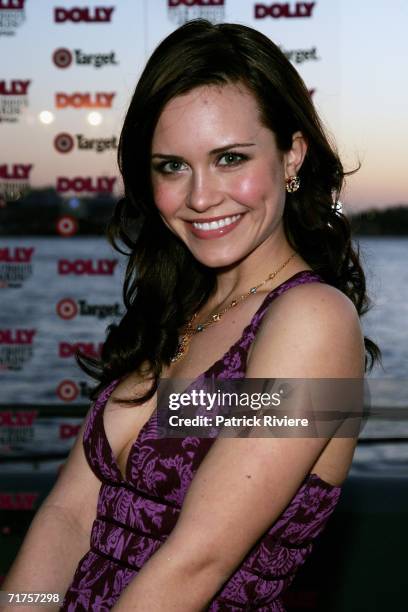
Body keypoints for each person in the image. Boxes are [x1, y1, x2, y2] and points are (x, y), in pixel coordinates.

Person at [3, 20, 380, 611]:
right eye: (172, 166)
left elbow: (196, 561)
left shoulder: (315, 320)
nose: (201, 196)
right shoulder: (182, 311)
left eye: (230, 158)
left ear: (292, 155)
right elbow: (69, 515)